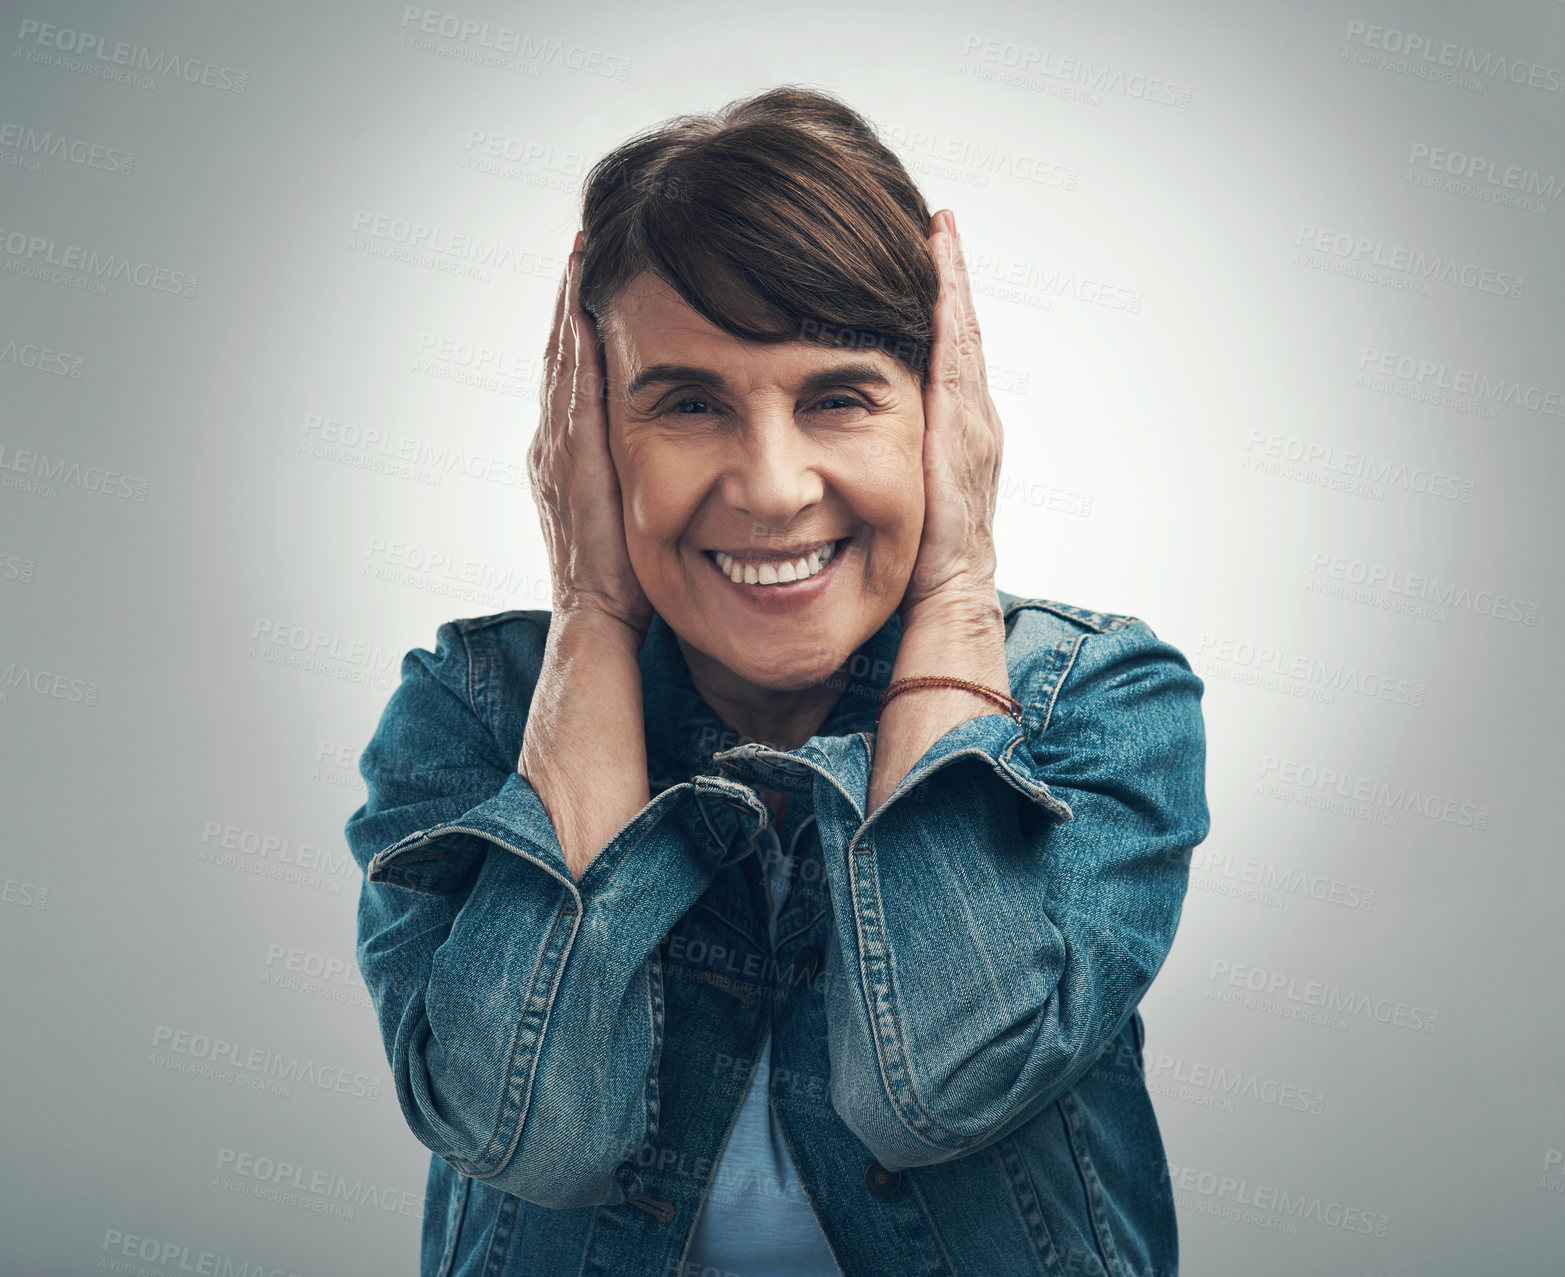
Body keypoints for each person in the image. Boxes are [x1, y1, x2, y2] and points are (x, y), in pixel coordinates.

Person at [346, 85, 1210, 1277]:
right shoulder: (472, 711)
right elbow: (529, 1133)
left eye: (839, 397)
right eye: (688, 402)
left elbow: (938, 1090)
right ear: (589, 431)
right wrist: (591, 612)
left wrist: (957, 586)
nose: (769, 486)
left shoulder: (1094, 702)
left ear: (940, 416)